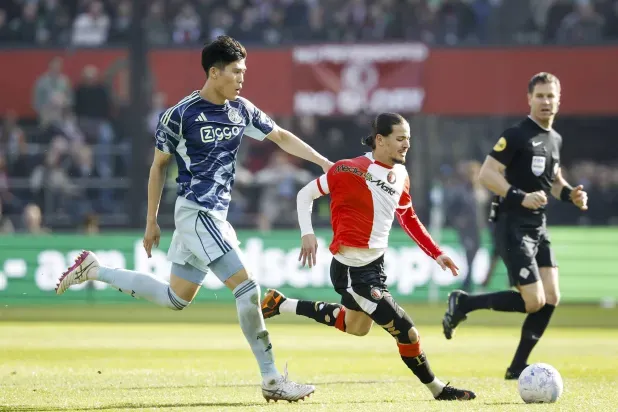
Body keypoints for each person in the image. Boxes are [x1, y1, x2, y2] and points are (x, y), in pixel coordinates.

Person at [54, 36, 333, 402]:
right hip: (197, 213)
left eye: (244, 72)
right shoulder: (180, 115)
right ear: (214, 73)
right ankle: (271, 379)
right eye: (236, 72)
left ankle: (94, 269)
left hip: (213, 216)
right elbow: (158, 167)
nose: (242, 79)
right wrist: (151, 220)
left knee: (176, 298)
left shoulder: (242, 110)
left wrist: (324, 163)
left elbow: (280, 136)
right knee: (247, 288)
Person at [261, 113, 476, 401]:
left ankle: (281, 304)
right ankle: (438, 390)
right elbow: (305, 194)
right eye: (400, 138)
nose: (406, 144)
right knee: (407, 332)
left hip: (375, 267)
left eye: (408, 139)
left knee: (357, 327)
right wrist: (307, 233)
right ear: (380, 140)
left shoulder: (401, 175)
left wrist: (436, 253)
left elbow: (408, 218)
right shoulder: (348, 169)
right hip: (353, 271)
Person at [441, 72, 588, 379]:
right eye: (540, 96)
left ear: (558, 100)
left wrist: (570, 194)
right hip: (512, 225)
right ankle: (465, 303)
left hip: (538, 226)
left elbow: (554, 180)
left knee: (551, 298)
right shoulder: (517, 135)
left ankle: (516, 366)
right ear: (529, 99)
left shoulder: (555, 139)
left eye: (551, 96)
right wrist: (520, 196)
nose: (546, 101)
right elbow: (487, 173)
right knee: (534, 301)